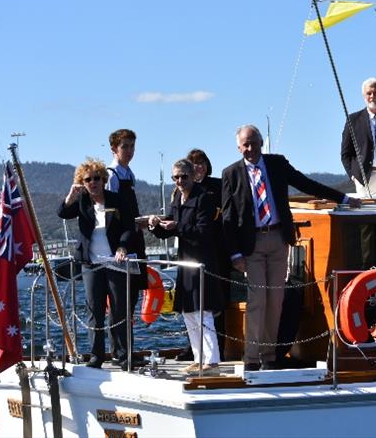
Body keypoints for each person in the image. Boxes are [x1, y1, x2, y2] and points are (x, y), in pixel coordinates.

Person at [223, 125, 361, 370]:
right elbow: (228, 218)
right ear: (238, 147)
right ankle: (251, 359)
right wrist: (234, 254)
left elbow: (306, 184)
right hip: (250, 244)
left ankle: (269, 357)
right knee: (258, 301)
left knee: (275, 300)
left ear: (261, 142)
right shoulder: (231, 173)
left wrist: (344, 199)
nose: (251, 148)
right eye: (245, 144)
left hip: (278, 239)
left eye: (254, 143)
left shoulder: (276, 164)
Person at [57, 158, 135, 369]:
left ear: (103, 179)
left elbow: (129, 227)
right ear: (83, 182)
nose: (93, 182)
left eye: (97, 178)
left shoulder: (116, 200)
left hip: (115, 263)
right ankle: (96, 356)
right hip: (91, 265)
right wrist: (70, 196)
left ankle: (122, 354)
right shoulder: (81, 201)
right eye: (88, 179)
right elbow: (63, 213)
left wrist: (122, 247)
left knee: (119, 310)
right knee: (95, 311)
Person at [149, 160, 224, 376]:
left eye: (183, 177)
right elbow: (171, 229)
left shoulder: (204, 199)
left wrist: (177, 226)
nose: (180, 181)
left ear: (192, 176)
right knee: (188, 312)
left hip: (202, 262)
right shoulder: (177, 200)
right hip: (185, 262)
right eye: (176, 177)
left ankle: (212, 362)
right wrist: (155, 226)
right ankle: (199, 358)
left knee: (203, 311)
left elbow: (203, 231)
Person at [185, 149, 230, 361]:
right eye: (194, 164)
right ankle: (192, 349)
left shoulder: (218, 186)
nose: (198, 167)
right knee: (191, 302)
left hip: (218, 250)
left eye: (202, 163)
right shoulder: (183, 190)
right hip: (192, 252)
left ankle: (219, 348)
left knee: (217, 302)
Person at [105, 129, 148, 305]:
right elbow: (110, 215)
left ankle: (128, 332)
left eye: (132, 146)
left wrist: (139, 222)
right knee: (120, 299)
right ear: (114, 149)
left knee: (133, 295)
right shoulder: (111, 175)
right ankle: (119, 333)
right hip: (119, 243)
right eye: (125, 146)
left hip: (135, 238)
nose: (129, 151)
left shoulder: (130, 174)